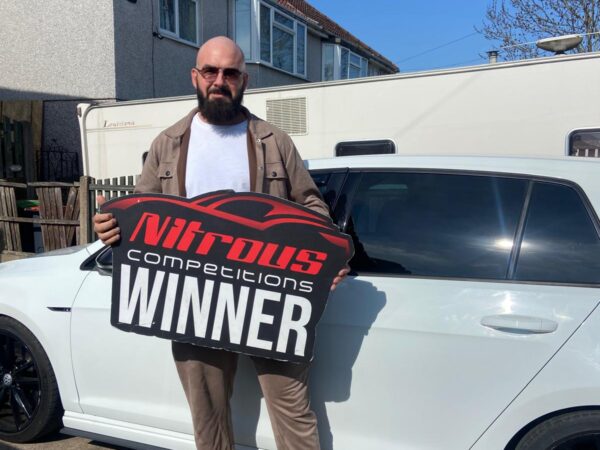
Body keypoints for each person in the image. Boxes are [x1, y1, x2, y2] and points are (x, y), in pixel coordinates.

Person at [93, 36, 348, 450]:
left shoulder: (274, 141)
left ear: (244, 80)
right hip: (191, 297)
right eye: (210, 71)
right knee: (208, 419)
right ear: (195, 77)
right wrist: (111, 226)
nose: (219, 80)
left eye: (230, 73)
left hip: (272, 296)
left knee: (293, 413)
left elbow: (311, 205)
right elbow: (141, 214)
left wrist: (326, 256)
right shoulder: (167, 144)